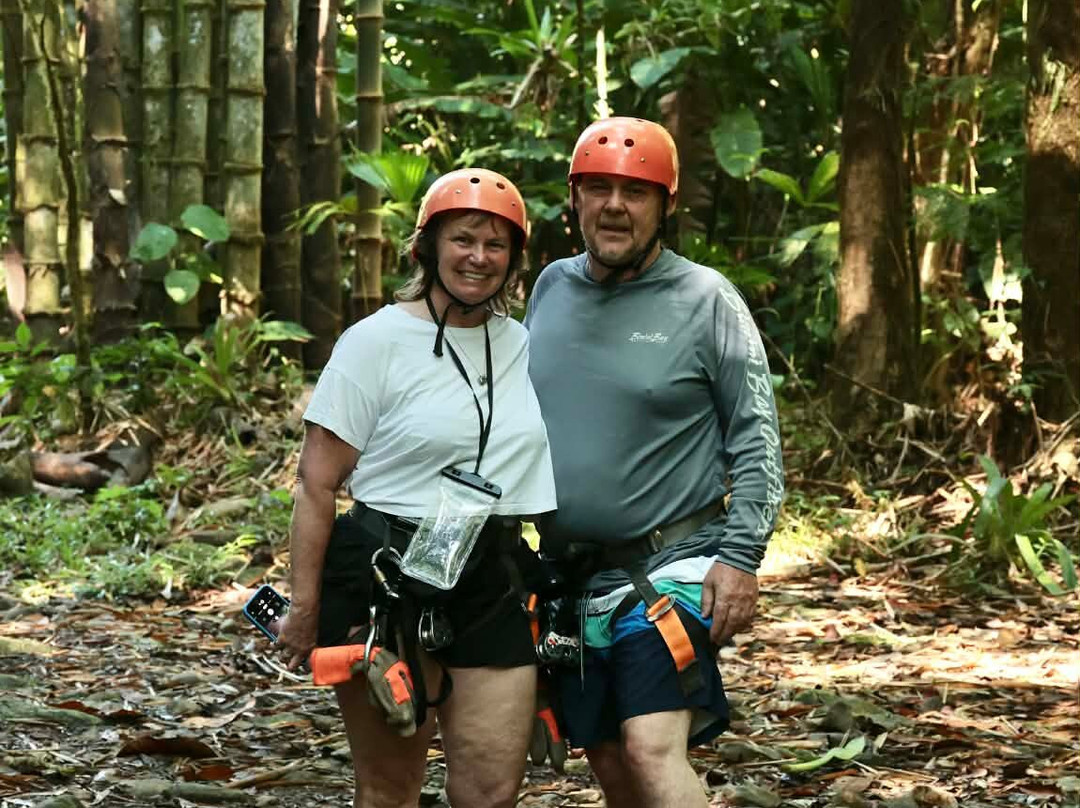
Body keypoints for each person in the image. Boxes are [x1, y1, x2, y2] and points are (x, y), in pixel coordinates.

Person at [277, 168, 557, 808]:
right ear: (428, 246)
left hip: (492, 573)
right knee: (389, 789)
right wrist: (305, 607)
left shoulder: (526, 346)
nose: (478, 258)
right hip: (388, 576)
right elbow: (316, 483)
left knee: (491, 790)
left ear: (514, 260)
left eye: (496, 245)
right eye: (463, 239)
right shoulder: (373, 342)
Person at [525, 117, 784, 808]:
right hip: (572, 582)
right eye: (600, 188)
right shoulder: (549, 288)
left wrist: (742, 556)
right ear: (574, 199)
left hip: (673, 567)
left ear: (667, 205)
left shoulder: (706, 300)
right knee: (610, 761)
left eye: (635, 192)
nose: (615, 205)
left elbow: (756, 436)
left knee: (649, 747)